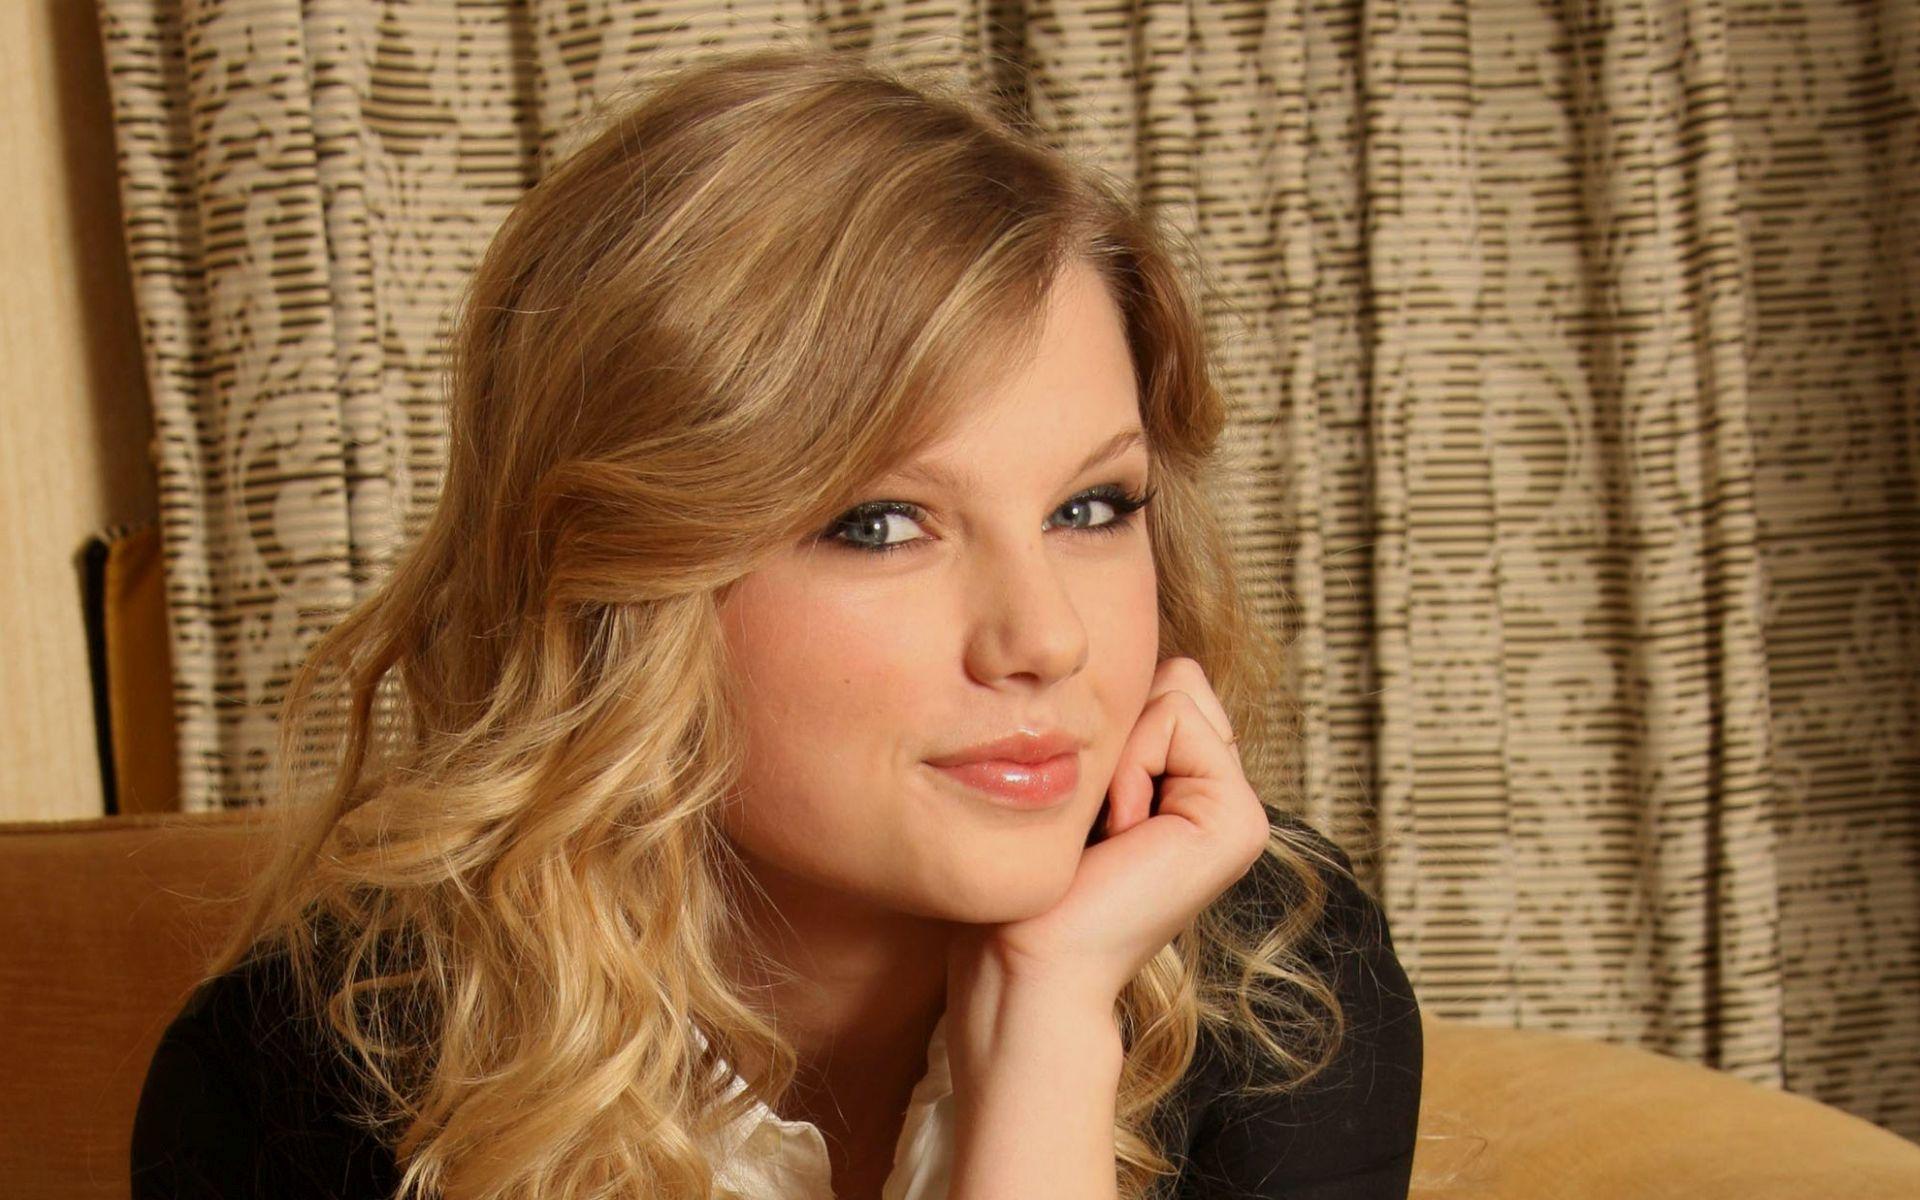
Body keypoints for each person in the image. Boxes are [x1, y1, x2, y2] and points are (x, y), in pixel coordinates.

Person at [130, 42, 1421, 1200]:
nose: (1045, 640)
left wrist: (1045, 1023)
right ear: (623, 585)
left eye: (1090, 508)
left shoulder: (1279, 986)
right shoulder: (298, 1086)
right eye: (881, 525)